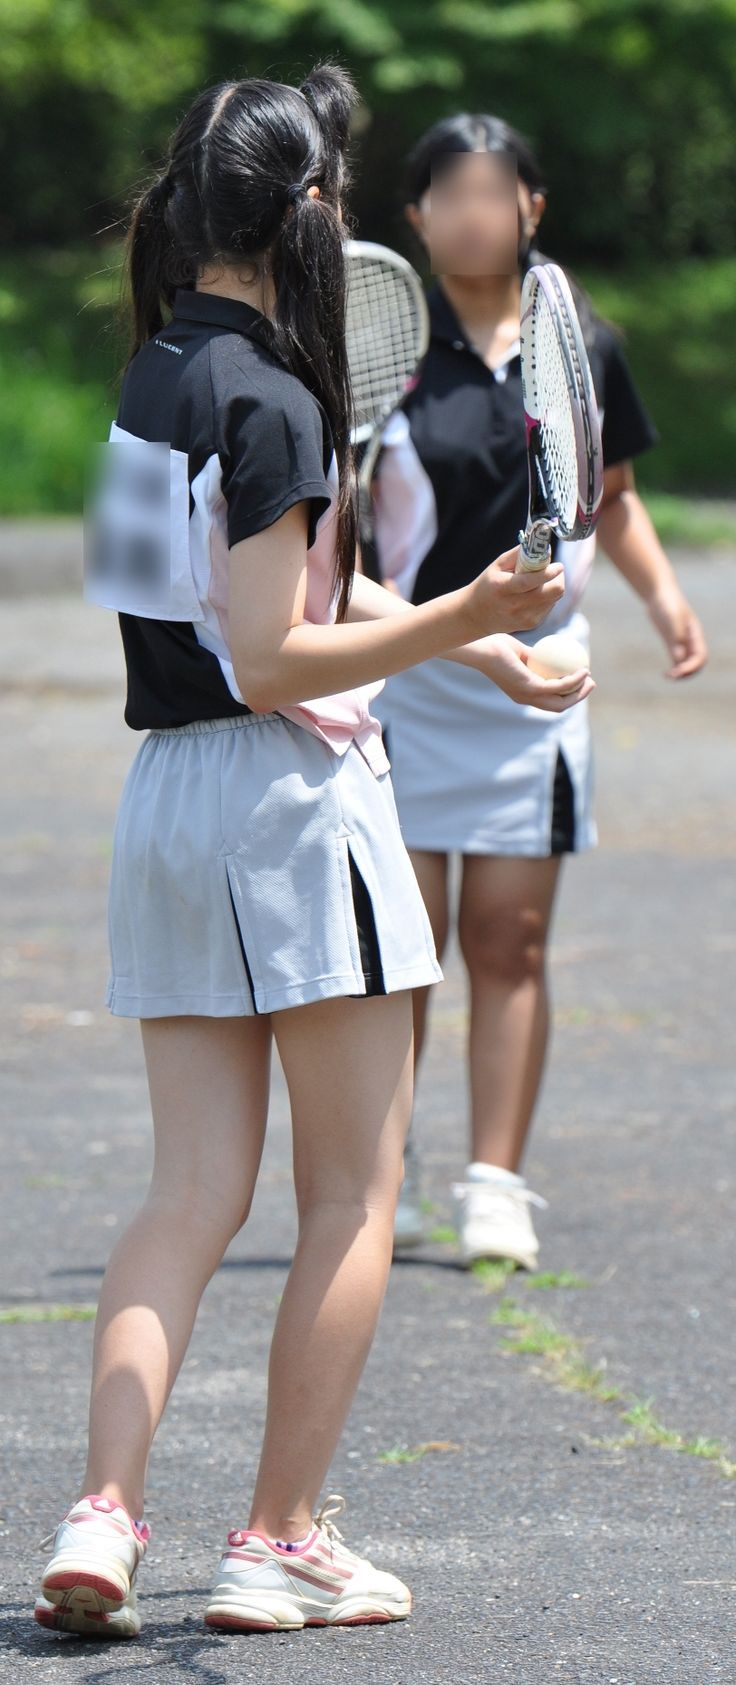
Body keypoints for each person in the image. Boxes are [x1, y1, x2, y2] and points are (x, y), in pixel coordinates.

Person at [34, 70, 592, 1641]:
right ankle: (279, 1537)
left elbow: (235, 610)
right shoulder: (275, 400)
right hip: (289, 806)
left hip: (170, 800)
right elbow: (277, 657)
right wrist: (469, 608)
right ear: (313, 215)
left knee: (188, 1192)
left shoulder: (153, 375)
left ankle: (103, 1512)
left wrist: (467, 647)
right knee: (354, 1191)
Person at [369, 113, 708, 1268]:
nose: (472, 213)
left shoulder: (578, 340)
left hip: (538, 685)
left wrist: (663, 597)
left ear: (531, 208)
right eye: (449, 194)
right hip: (405, 672)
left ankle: (495, 1183)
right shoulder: (379, 351)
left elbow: (611, 495)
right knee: (403, 947)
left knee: (508, 941)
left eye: (492, 191)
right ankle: (381, 1173)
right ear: (415, 217)